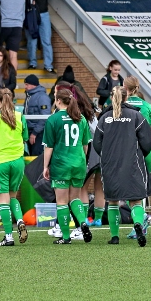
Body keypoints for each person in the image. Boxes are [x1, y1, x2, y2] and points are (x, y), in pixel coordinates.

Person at [93, 86, 151, 246]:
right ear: (127, 97)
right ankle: (138, 224)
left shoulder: (104, 118)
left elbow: (97, 144)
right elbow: (147, 142)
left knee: (113, 201)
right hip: (132, 163)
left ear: (111, 98)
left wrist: (106, 155)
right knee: (135, 201)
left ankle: (114, 237)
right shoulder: (136, 115)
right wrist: (139, 153)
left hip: (110, 164)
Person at [41, 89, 93, 244]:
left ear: (57, 101)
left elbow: (49, 146)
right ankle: (82, 222)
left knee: (62, 201)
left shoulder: (53, 119)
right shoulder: (81, 118)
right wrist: (82, 160)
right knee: (75, 198)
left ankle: (65, 237)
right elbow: (85, 145)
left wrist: (45, 166)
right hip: (78, 163)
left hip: (61, 164)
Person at [0, 89, 29, 246]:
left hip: (0, 162)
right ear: (14, 101)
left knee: (3, 201)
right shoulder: (20, 116)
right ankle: (20, 221)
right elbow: (25, 139)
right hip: (17, 161)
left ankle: (9, 237)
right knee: (12, 197)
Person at [123, 76, 151, 240]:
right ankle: (142, 219)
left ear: (125, 87)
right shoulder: (147, 106)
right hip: (147, 152)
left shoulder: (122, 106)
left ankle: (141, 220)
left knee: (127, 188)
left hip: (129, 152)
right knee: (141, 187)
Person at [21, 0, 54, 73]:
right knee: (32, 40)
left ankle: (48, 65)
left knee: (47, 40)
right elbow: (21, 1)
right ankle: (32, 63)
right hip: (31, 14)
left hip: (44, 13)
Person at [23, 74, 51, 156]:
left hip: (38, 133)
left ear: (33, 84)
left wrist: (35, 133)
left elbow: (44, 117)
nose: (25, 86)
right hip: (30, 131)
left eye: (27, 84)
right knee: (32, 154)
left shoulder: (42, 97)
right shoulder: (29, 96)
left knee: (36, 155)